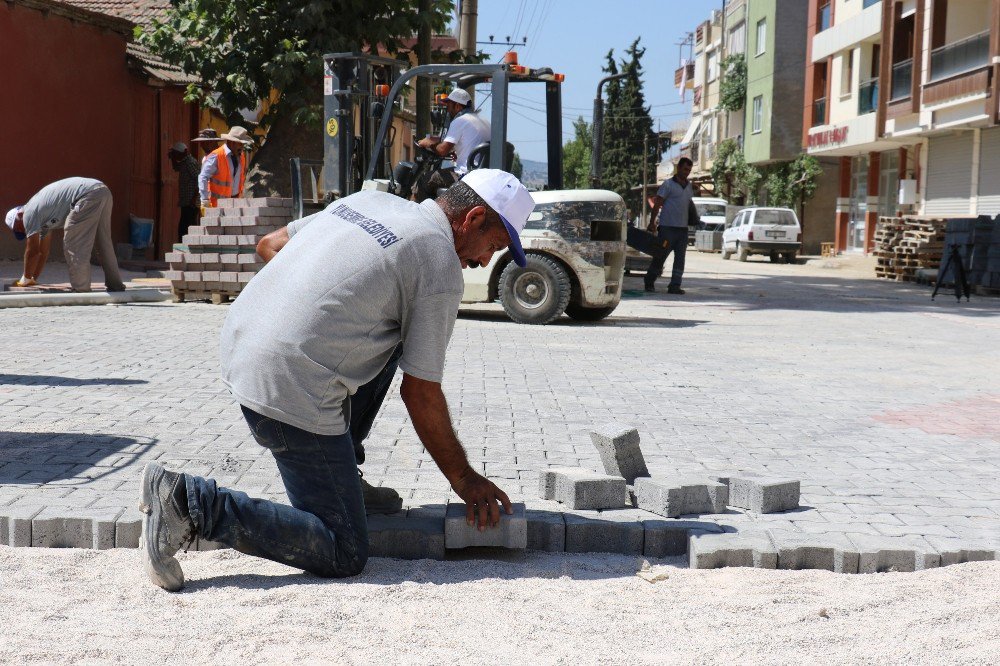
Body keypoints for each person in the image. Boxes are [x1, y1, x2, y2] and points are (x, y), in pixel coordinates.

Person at [139, 169, 534, 591]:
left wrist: (311, 311)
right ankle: (188, 503)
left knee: (393, 331)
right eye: (492, 246)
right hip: (286, 386)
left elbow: (268, 245)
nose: (484, 261)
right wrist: (465, 479)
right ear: (472, 219)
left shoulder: (372, 202)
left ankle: (344, 477)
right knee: (343, 550)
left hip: (240, 348)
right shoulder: (437, 261)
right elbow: (420, 392)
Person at [4, 178, 125, 292]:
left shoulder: (28, 214)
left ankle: (81, 289)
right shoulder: (42, 219)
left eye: (19, 229)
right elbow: (43, 252)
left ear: (19, 216)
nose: (24, 232)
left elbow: (32, 250)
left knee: (73, 243)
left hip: (87, 195)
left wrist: (25, 278)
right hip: (102, 191)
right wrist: (32, 279)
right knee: (103, 242)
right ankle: (115, 285)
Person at [414, 88, 491, 201]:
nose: (448, 110)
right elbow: (473, 144)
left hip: (465, 174)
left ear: (458, 106)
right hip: (481, 173)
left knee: (424, 181)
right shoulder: (484, 121)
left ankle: (423, 216)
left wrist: (428, 143)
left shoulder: (460, 121)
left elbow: (442, 150)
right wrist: (459, 153)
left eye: (449, 105)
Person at [644, 157, 697, 294]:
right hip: (667, 228)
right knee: (660, 256)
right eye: (685, 169)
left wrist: (695, 219)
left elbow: (689, 204)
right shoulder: (667, 185)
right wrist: (652, 223)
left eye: (689, 170)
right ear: (678, 168)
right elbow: (657, 204)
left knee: (680, 259)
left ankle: (675, 286)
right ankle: (649, 281)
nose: (687, 172)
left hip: (682, 230)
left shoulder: (689, 186)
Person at [198, 126, 253, 208]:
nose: (242, 147)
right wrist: (204, 199)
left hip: (234, 204)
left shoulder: (241, 157)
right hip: (216, 206)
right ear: (231, 142)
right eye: (240, 144)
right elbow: (203, 177)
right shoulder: (216, 156)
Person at [168, 142, 200, 240]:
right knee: (184, 228)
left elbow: (199, 180)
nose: (176, 156)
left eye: (177, 153)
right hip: (186, 202)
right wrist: (172, 158)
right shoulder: (184, 162)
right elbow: (176, 167)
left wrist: (194, 199)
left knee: (187, 228)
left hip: (191, 202)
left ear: (184, 152)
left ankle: (189, 249)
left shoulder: (190, 162)